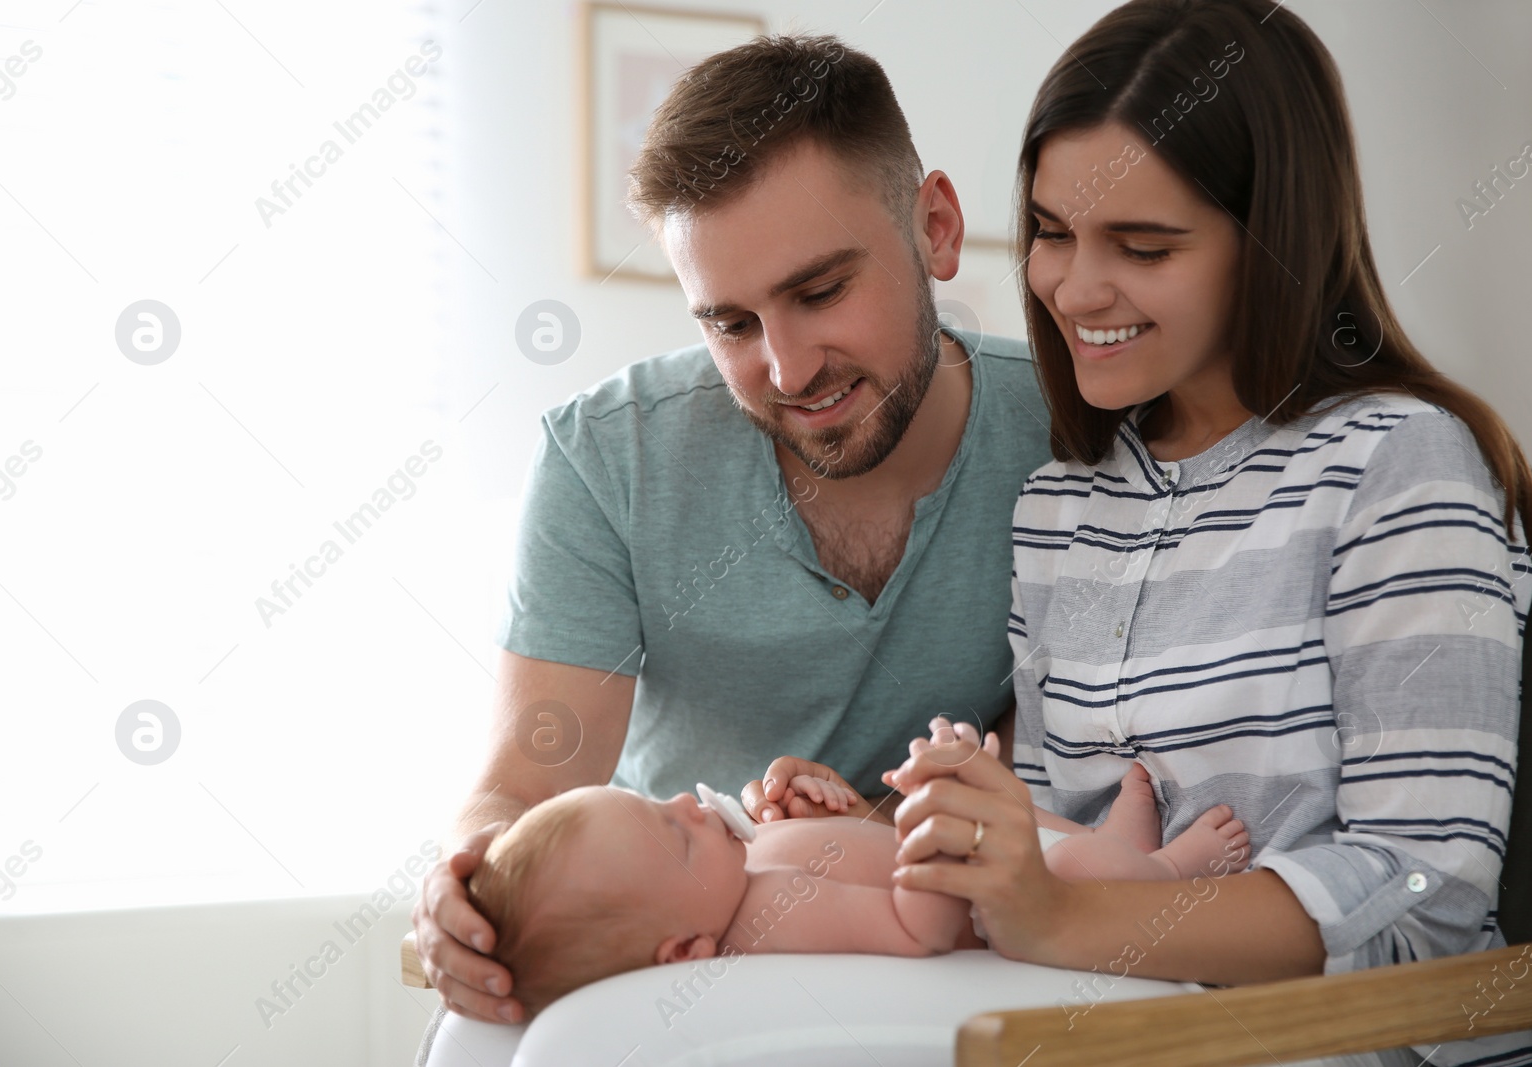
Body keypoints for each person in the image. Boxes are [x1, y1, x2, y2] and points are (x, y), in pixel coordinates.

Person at [877, 3, 1532, 1066]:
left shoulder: (1398, 463)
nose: (1074, 288)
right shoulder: (1061, 505)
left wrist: (1060, 916)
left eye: (1142, 246)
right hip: (1098, 1021)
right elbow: (1062, 837)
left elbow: (1424, 893)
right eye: (1052, 230)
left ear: (1271, 238)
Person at [413, 34, 1056, 1023]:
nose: (789, 369)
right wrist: (467, 878)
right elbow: (527, 787)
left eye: (819, 291)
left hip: (942, 969)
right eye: (731, 324)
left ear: (934, 227)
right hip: (679, 987)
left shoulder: (1066, 438)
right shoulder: (606, 459)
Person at [470, 745, 1249, 1019]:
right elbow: (919, 931)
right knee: (1076, 867)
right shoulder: (768, 922)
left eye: (654, 801)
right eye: (673, 833)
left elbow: (815, 850)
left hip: (998, 859)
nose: (683, 803)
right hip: (1001, 904)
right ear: (685, 951)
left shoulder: (728, 881)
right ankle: (1169, 871)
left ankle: (1119, 840)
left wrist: (796, 808)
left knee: (1050, 831)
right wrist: (929, 822)